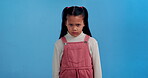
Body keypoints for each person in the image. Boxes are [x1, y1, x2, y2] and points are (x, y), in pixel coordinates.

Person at [52, 6, 102, 78]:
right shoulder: (59, 44)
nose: (74, 28)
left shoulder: (92, 42)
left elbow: (97, 68)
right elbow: (55, 70)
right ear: (65, 23)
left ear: (84, 23)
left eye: (78, 25)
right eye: (71, 25)